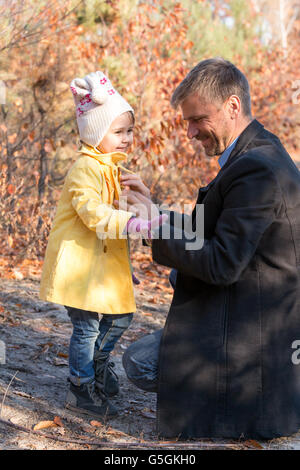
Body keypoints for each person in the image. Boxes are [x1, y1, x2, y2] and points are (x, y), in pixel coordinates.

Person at [119, 58, 300, 439]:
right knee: (175, 279)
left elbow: (222, 263)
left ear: (233, 106)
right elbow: (216, 229)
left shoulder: (257, 169)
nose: (189, 132)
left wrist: (153, 228)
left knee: (138, 363)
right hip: (254, 309)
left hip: (258, 338)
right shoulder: (258, 154)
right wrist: (156, 214)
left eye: (197, 119)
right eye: (187, 121)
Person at [39, 71, 164, 418]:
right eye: (118, 131)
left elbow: (116, 221)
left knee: (122, 315)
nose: (126, 139)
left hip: (99, 264)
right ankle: (80, 386)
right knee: (87, 326)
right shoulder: (85, 170)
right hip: (77, 266)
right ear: (95, 132)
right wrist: (132, 222)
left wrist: (127, 255)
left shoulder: (113, 169)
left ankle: (96, 363)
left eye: (129, 131)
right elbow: (95, 214)